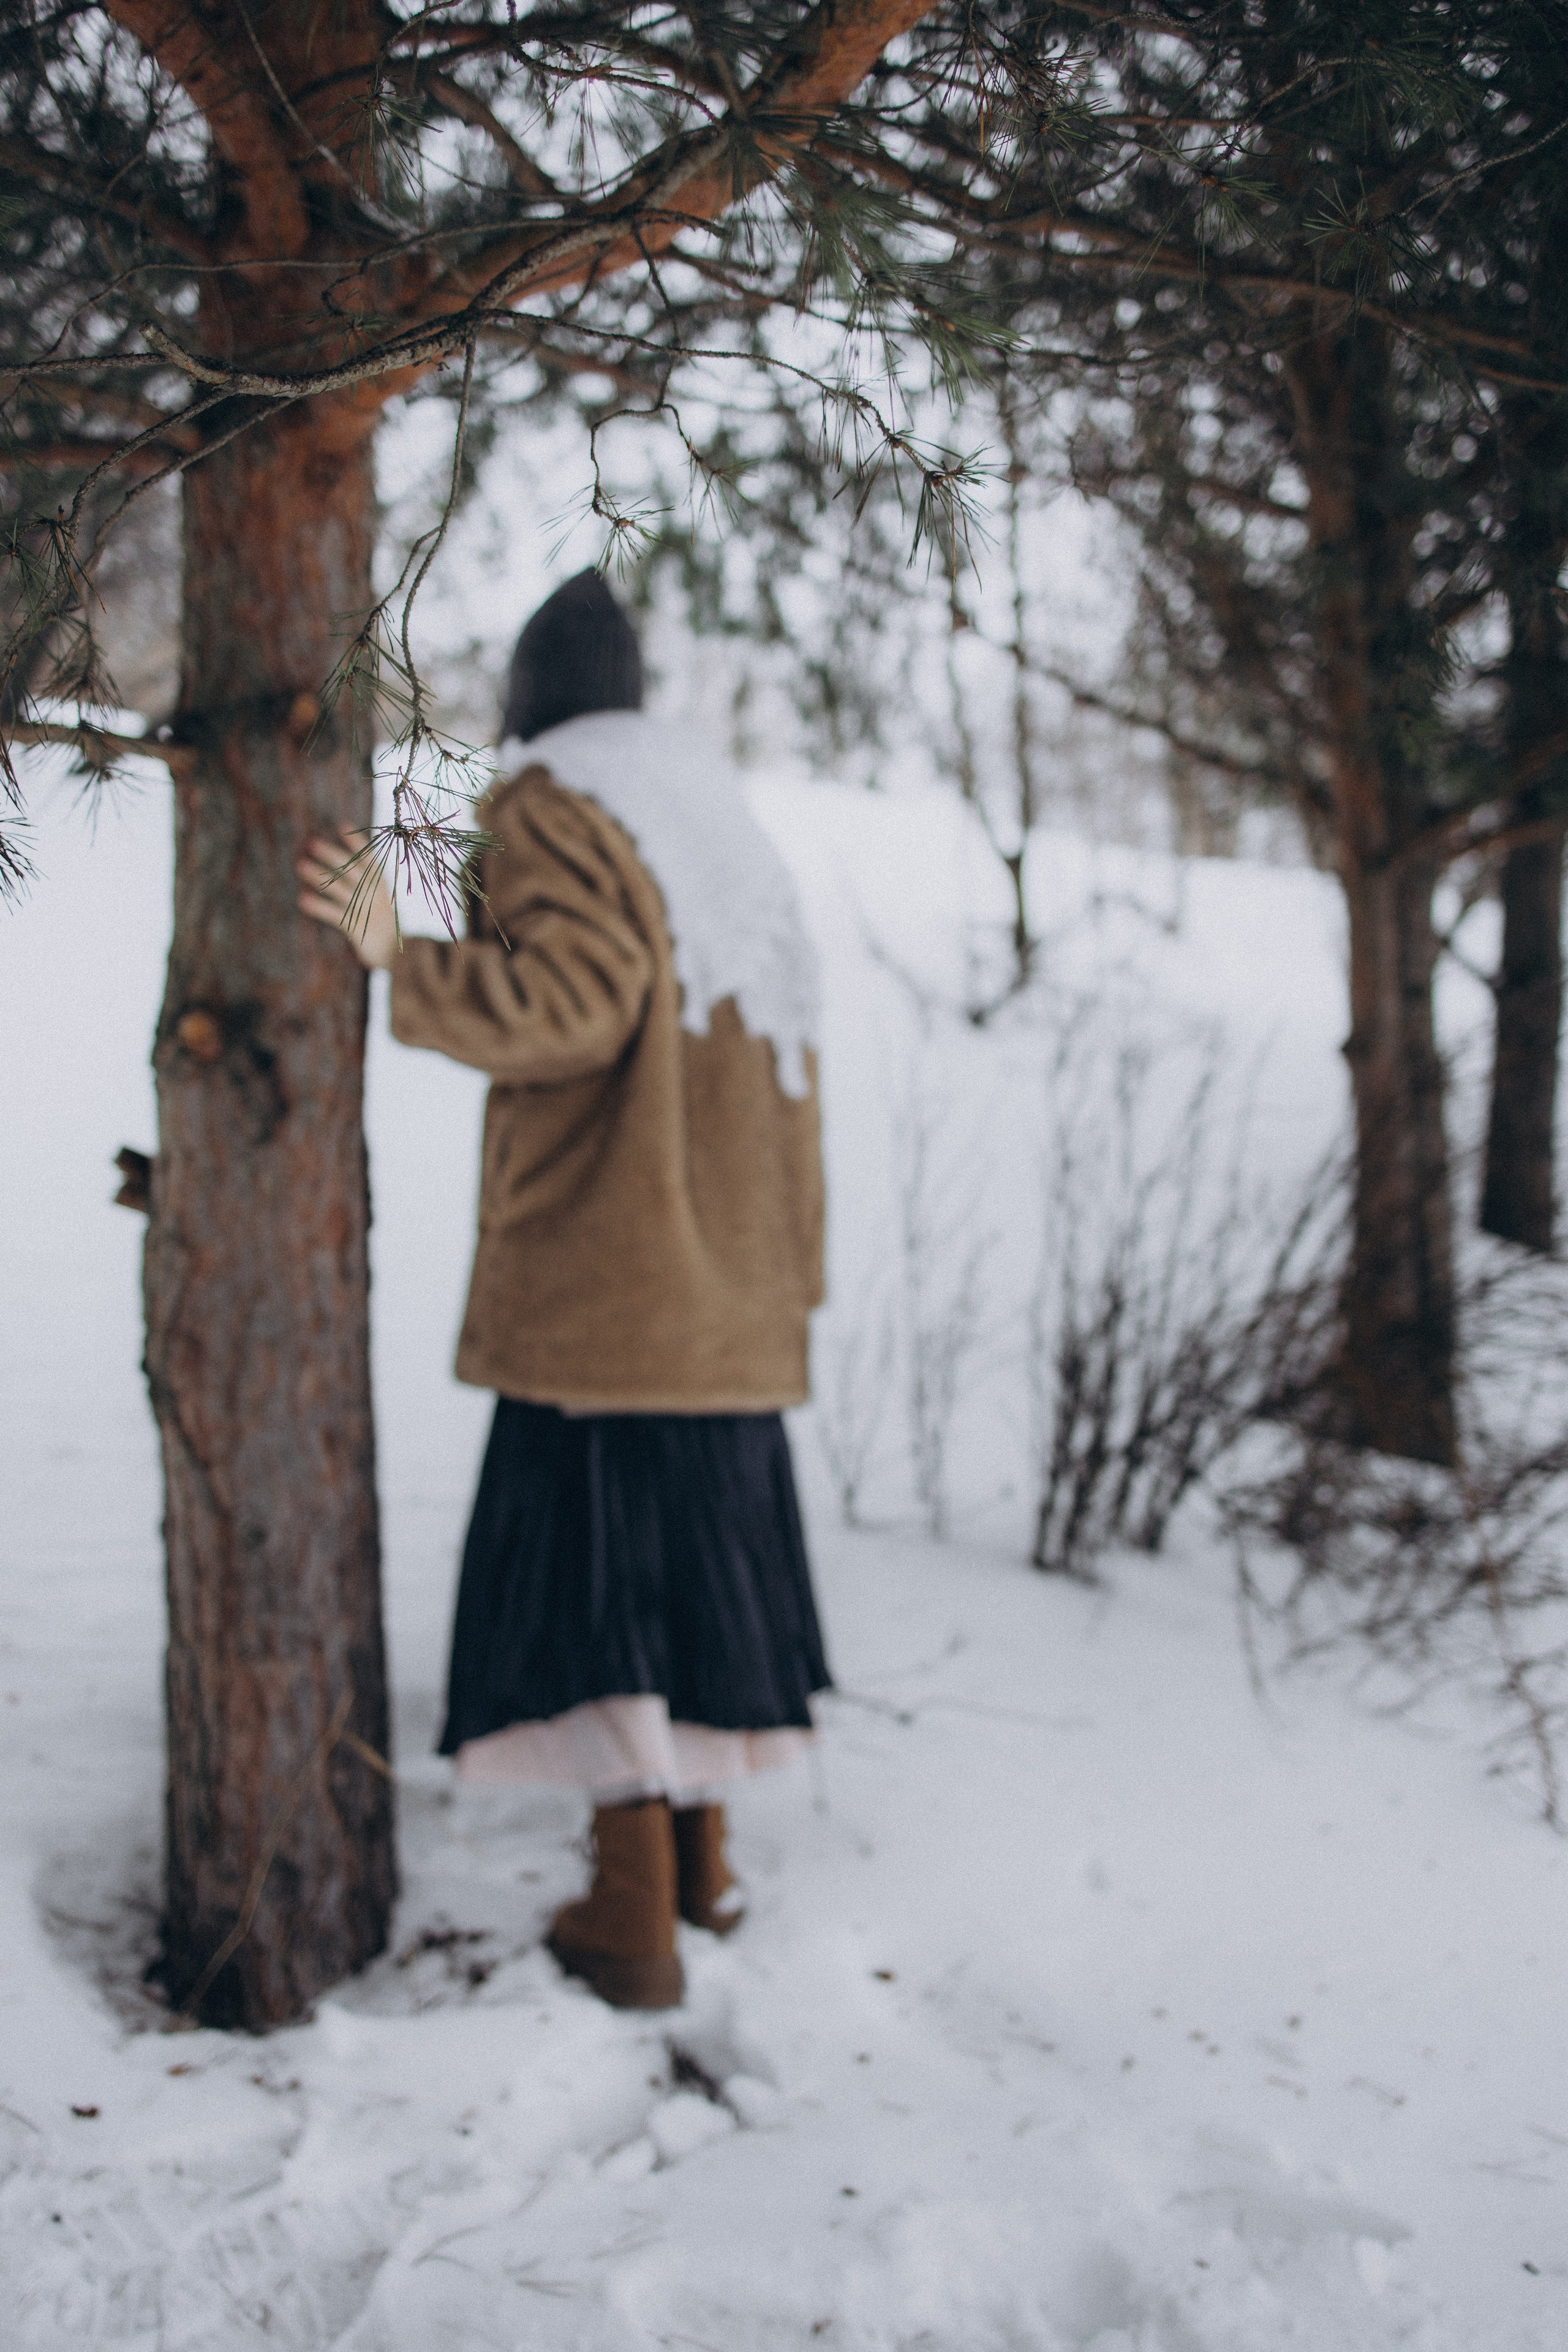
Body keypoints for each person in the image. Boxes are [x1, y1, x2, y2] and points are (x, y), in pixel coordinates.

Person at [298, 571, 831, 2010]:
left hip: (615, 1301)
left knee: (609, 1611)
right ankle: (699, 1877)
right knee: (706, 1605)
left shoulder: (553, 802)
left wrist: (398, 960)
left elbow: (575, 1003)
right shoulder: (711, 819)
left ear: (532, 699)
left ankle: (628, 1917)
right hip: (732, 1303)